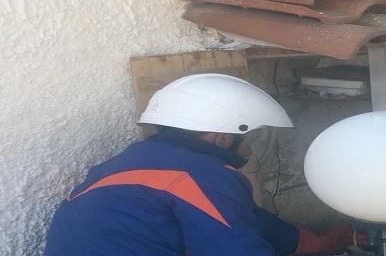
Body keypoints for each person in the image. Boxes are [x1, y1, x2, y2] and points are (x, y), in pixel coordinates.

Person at [44, 73, 366, 255]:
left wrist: (331, 241)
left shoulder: (132, 163)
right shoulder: (199, 175)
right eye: (249, 135)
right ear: (222, 137)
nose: (251, 145)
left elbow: (258, 227)